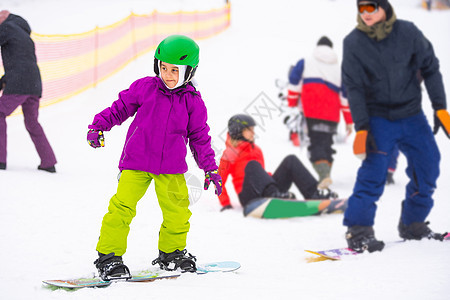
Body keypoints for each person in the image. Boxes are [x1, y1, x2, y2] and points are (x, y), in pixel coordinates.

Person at [86, 35, 222, 280]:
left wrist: (210, 167)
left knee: (178, 212)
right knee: (121, 208)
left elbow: (200, 137)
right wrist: (98, 126)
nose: (167, 74)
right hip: (135, 162)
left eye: (174, 70)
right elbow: (120, 108)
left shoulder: (193, 102)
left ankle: (172, 254)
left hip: (171, 168)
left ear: (189, 72)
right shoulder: (145, 87)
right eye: (163, 67)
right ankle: (109, 257)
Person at [342, 0, 450, 253]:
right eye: (361, 8)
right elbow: (354, 87)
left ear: (384, 8)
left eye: (371, 8)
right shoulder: (354, 42)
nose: (365, 13)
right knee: (374, 172)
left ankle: (413, 224)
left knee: (429, 165)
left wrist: (440, 106)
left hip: (412, 115)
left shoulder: (408, 32)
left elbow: (431, 68)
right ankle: (359, 231)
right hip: (378, 118)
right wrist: (362, 127)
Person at [218, 114, 338, 212]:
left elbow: (260, 175)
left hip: (267, 191)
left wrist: (270, 178)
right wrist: (226, 204)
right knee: (252, 165)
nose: (253, 133)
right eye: (249, 130)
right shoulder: (229, 154)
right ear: (238, 131)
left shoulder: (256, 150)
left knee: (291, 160)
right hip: (249, 197)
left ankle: (314, 195)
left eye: (253, 129)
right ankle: (274, 196)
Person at [287, 36, 353, 189]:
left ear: (317, 47)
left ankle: (324, 176)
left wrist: (292, 102)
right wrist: (349, 120)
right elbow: (345, 97)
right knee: (326, 142)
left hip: (311, 109)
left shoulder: (306, 61)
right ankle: (326, 174)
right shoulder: (340, 69)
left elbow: (294, 82)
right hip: (332, 112)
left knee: (315, 142)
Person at [0, 10, 57, 172]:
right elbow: (21, 61)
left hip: (19, 83)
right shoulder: (22, 33)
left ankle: (0, 160)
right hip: (34, 84)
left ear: (5, 17)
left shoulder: (7, 27)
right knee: (32, 122)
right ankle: (48, 162)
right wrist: (5, 80)